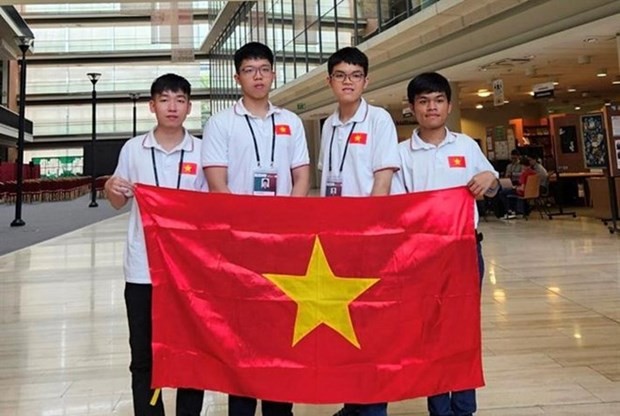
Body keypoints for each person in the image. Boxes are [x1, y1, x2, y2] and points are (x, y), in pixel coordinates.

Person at [200, 41, 310, 416]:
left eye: (264, 68)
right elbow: (217, 182)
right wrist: (247, 232)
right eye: (250, 70)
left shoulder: (290, 122)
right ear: (238, 77)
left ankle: (281, 409)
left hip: (282, 245)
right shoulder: (220, 123)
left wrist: (284, 225)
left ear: (274, 73)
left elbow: (301, 175)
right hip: (239, 246)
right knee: (242, 336)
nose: (258, 76)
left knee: (282, 333)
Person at [391, 72, 499, 416]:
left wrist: (490, 178)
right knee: (431, 333)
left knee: (463, 330)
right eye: (423, 101)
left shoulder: (467, 146)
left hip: (465, 250)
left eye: (438, 100)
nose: (431, 107)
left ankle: (464, 409)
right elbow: (398, 209)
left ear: (449, 105)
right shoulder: (401, 154)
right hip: (422, 256)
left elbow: (492, 187)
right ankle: (439, 408)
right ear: (412, 108)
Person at [104, 73, 206, 416]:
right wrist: (110, 190)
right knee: (143, 357)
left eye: (179, 100)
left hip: (189, 273)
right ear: (152, 106)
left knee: (192, 354)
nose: (172, 107)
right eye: (164, 100)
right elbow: (118, 201)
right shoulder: (133, 149)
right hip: (142, 271)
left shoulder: (203, 152)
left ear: (189, 107)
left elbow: (212, 210)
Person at [319, 46, 400, 416]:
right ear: (330, 81)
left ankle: (371, 409)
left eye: (355, 75)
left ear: (366, 81)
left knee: (372, 329)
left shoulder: (379, 120)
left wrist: (367, 235)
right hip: (337, 242)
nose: (347, 82)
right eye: (340, 75)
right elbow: (328, 183)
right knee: (344, 327)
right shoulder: (329, 125)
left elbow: (381, 183)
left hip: (369, 241)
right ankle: (353, 404)